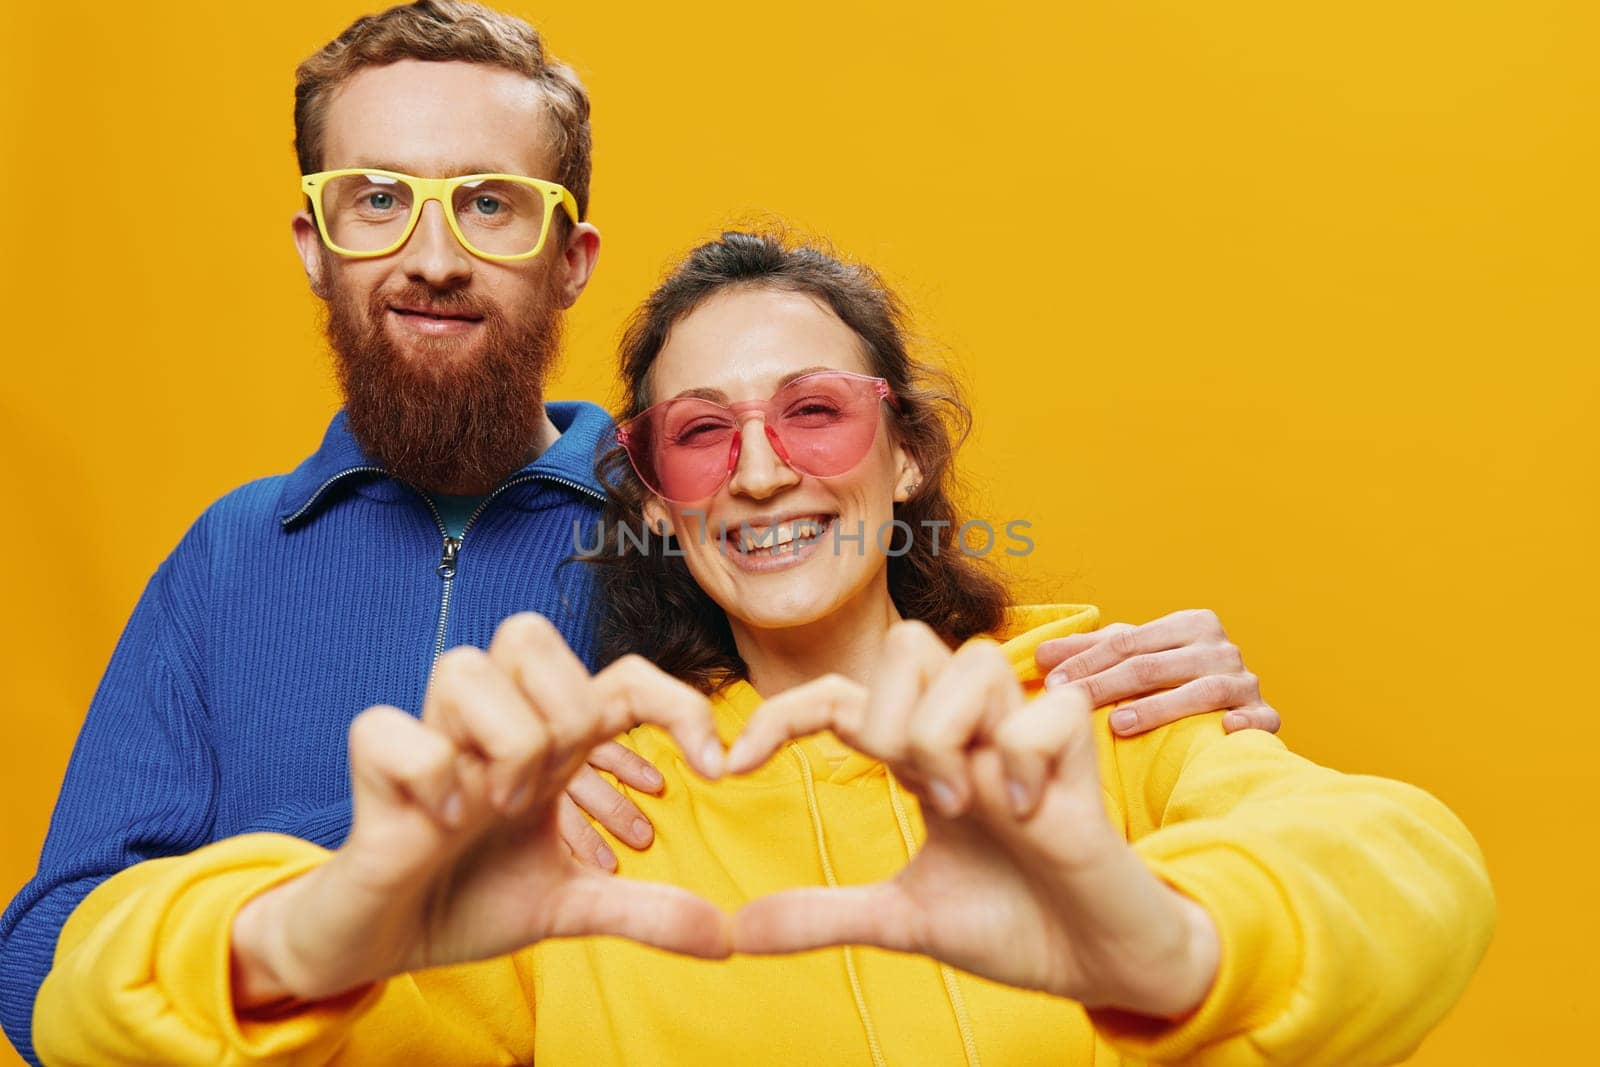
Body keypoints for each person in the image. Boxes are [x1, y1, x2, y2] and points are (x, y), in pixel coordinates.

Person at [0, 4, 1282, 1064]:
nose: (431, 254)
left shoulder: (713, 504)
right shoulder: (224, 562)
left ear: (569, 257)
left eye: (491, 204)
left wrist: (1145, 686)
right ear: (315, 243)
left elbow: (878, 666)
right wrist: (381, 887)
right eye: (377, 197)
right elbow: (40, 965)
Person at [28, 232, 1496, 1065]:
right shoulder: (597, 815)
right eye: (700, 431)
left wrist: (1168, 944)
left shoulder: (1095, 709)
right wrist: (313, 923)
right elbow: (100, 1002)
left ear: (905, 453)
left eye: (816, 411)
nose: (760, 468)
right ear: (660, 501)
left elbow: (1406, 866)